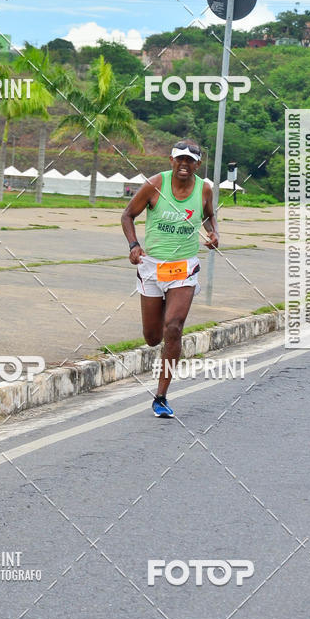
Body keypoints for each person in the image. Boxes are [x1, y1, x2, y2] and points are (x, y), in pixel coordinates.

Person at [121, 140, 219, 418]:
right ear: (171, 160)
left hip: (184, 268)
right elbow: (127, 215)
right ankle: (163, 311)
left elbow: (210, 216)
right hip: (151, 266)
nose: (185, 164)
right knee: (153, 338)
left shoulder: (205, 189)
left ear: (198, 164)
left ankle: (161, 396)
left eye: (191, 160)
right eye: (180, 159)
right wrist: (133, 246)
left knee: (174, 327)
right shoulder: (155, 185)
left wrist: (214, 233)